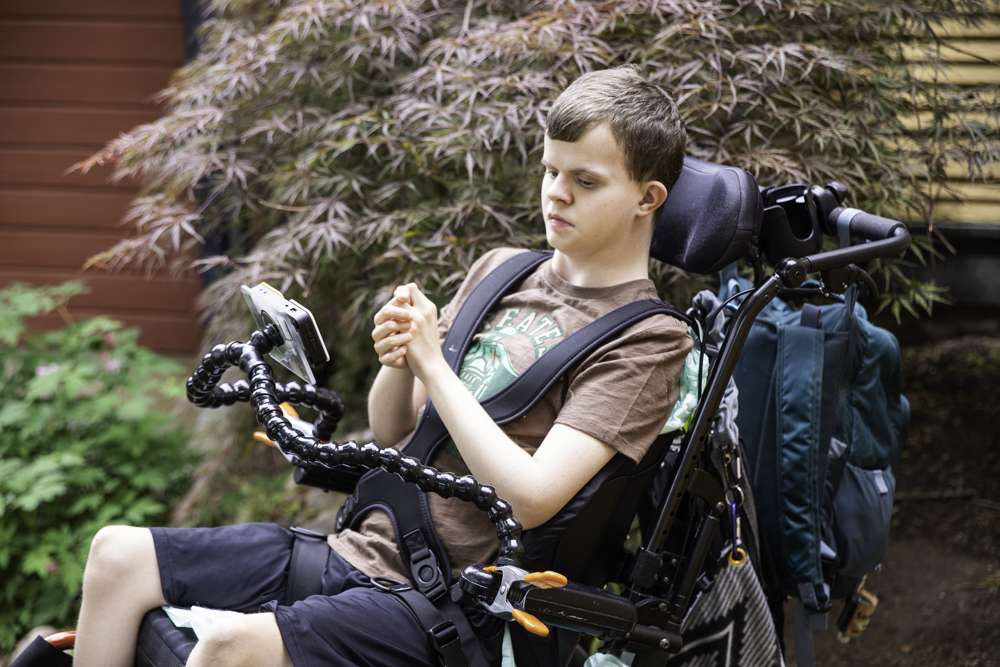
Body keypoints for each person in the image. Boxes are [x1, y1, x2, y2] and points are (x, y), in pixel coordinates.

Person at [72, 65, 693, 667]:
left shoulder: (646, 340)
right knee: (117, 555)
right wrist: (401, 359)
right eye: (551, 171)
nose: (556, 193)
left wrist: (434, 364)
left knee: (228, 649)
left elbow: (532, 500)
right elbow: (395, 430)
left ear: (648, 197)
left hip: (448, 601)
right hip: (361, 546)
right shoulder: (502, 270)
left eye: (584, 181)